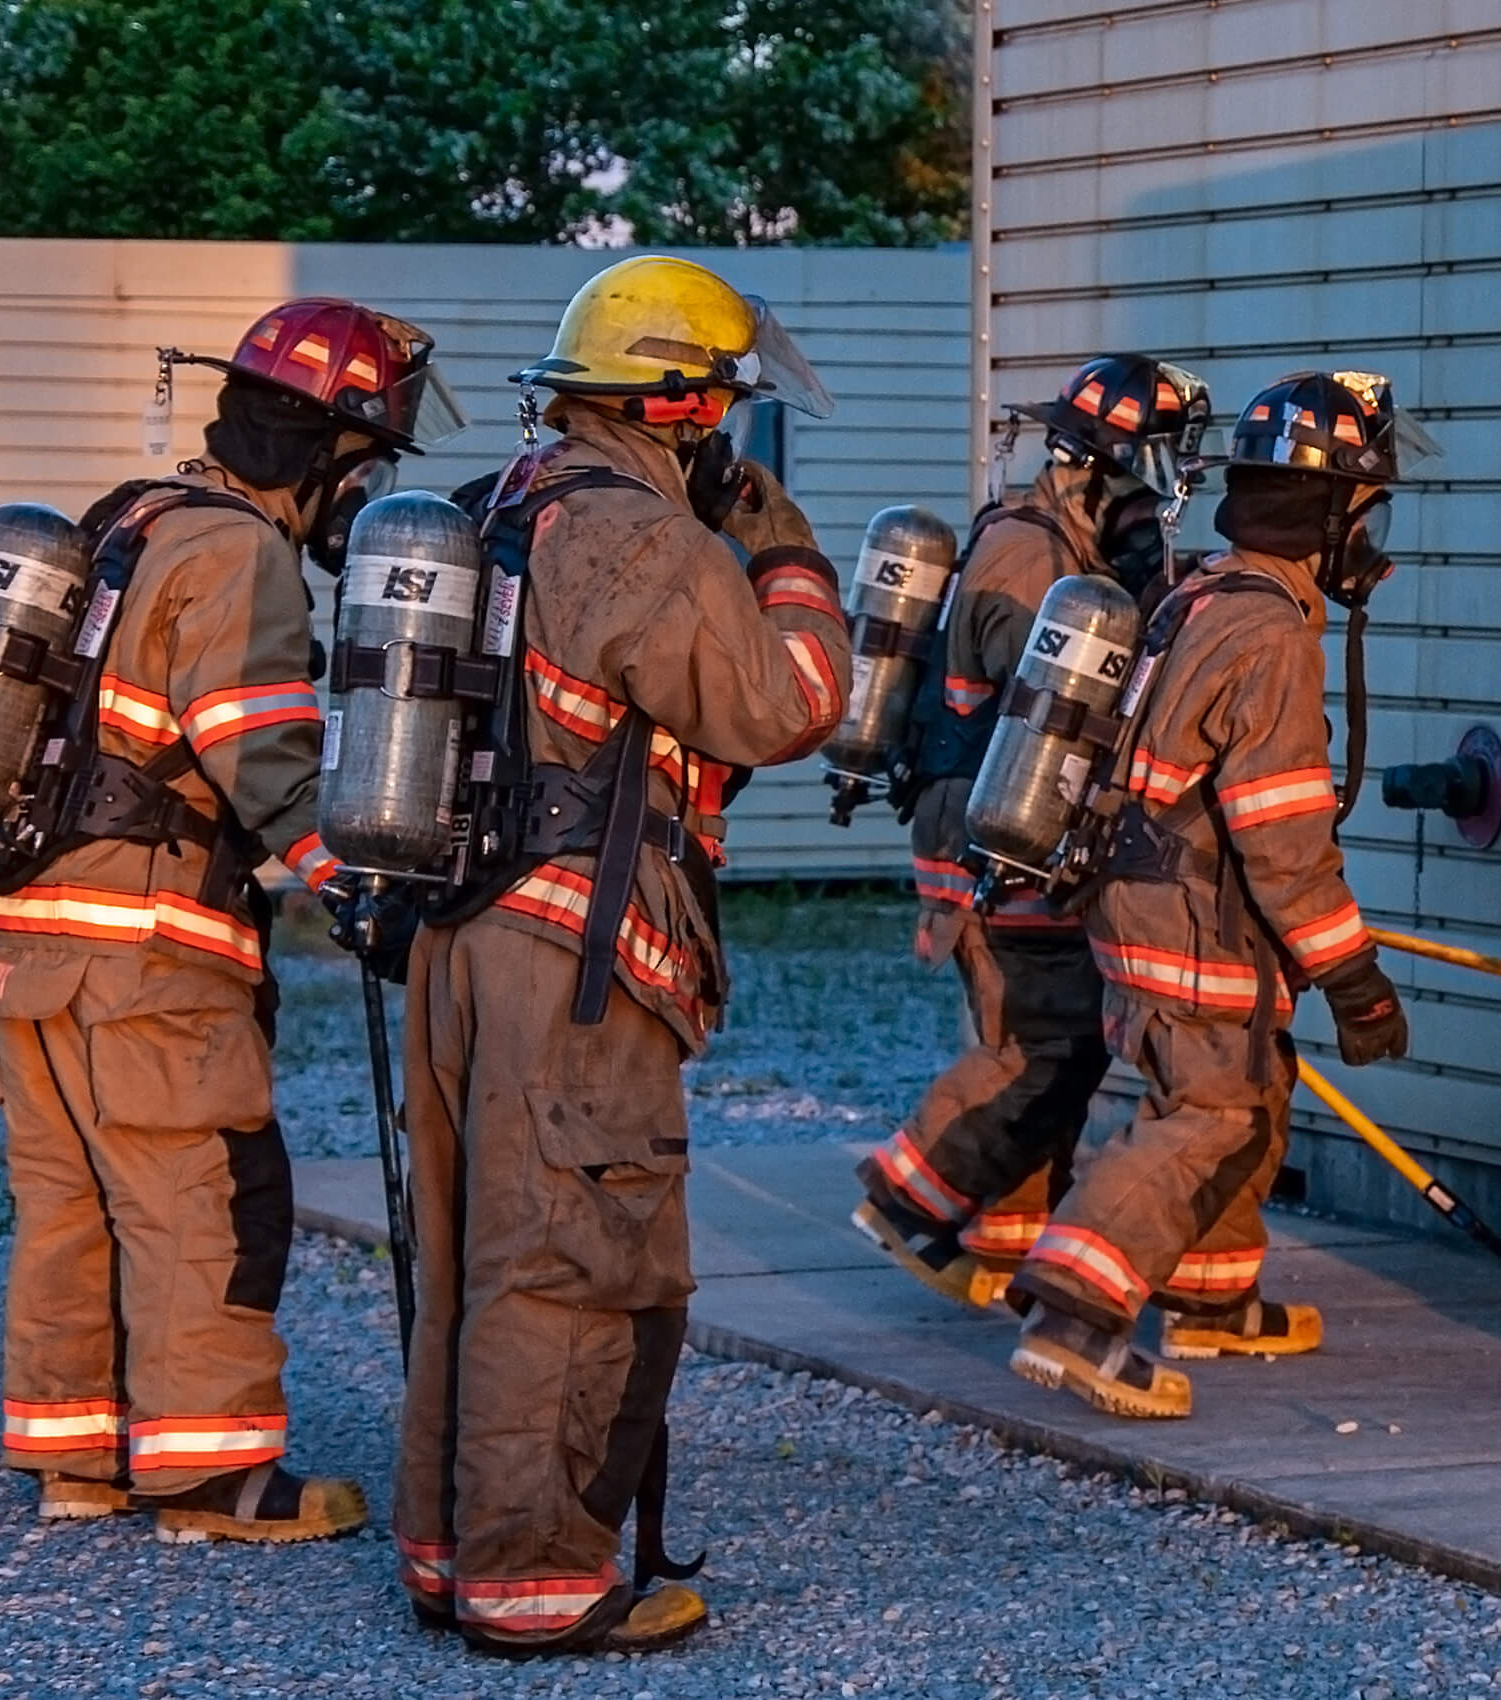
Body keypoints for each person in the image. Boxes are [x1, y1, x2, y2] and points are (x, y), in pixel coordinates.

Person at [388, 255, 850, 1655]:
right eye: (722, 405)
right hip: (571, 953)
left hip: (464, 936)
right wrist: (785, 558)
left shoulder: (504, 504)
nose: (729, 432)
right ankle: (534, 1577)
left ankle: (451, 1547)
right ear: (678, 402)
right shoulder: (645, 542)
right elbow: (785, 706)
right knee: (572, 1256)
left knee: (476, 1248)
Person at [0, 299, 458, 1539]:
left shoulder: (123, 519)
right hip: (151, 949)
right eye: (363, 466)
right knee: (203, 1200)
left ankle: (78, 1454)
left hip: (32, 936)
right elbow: (258, 750)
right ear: (321, 450)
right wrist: (353, 879)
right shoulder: (239, 552)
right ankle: (210, 1474)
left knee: (70, 1203)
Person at [1005, 370, 1433, 1418]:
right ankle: (1071, 1317)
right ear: (1322, 512)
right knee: (1208, 1112)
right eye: (1367, 511)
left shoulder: (1207, 590)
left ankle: (1211, 1299)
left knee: (1254, 1094)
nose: (1372, 540)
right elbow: (1283, 838)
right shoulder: (1270, 635)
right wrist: (1354, 978)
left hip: (1149, 897)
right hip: (1195, 917)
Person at [855, 355, 1207, 1309]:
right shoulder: (1029, 555)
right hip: (993, 827)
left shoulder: (1056, 543)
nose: (1157, 504)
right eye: (1148, 475)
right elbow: (1047, 713)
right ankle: (906, 1200)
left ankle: (1005, 1243)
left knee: (1048, 1037)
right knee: (1044, 1041)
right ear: (1098, 467)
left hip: (1000, 826)